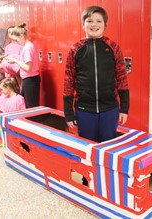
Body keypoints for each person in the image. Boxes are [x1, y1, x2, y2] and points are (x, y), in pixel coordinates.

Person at [63, 6, 130, 185]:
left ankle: (107, 185)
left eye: (98, 21)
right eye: (90, 21)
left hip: (110, 109)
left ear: (105, 25)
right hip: (85, 110)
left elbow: (122, 78)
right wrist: (68, 112)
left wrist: (125, 107)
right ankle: (89, 184)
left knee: (108, 150)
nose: (94, 24)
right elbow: (69, 82)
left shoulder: (113, 48)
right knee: (88, 150)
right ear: (83, 24)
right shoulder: (75, 49)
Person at [6, 23, 40, 108]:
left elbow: (28, 68)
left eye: (16, 40)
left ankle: (32, 121)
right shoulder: (27, 46)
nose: (17, 42)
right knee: (26, 104)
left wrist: (15, 60)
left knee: (31, 106)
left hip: (31, 79)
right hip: (28, 79)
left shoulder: (28, 48)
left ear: (21, 36)